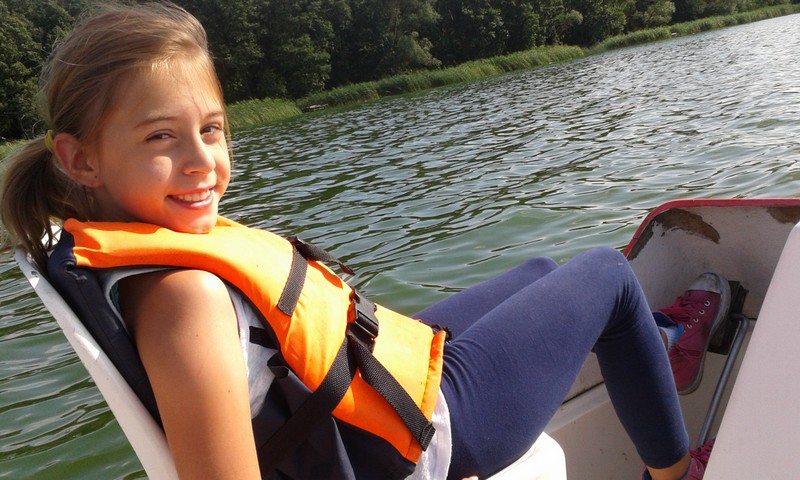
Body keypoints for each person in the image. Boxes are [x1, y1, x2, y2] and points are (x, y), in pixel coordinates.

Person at [0, 3, 723, 479]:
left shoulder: (138, 253)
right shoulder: (182, 300)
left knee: (539, 266)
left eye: (211, 129)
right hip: (417, 442)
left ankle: (657, 344)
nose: (201, 162)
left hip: (368, 391)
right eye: (161, 137)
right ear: (80, 159)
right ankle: (676, 469)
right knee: (606, 276)